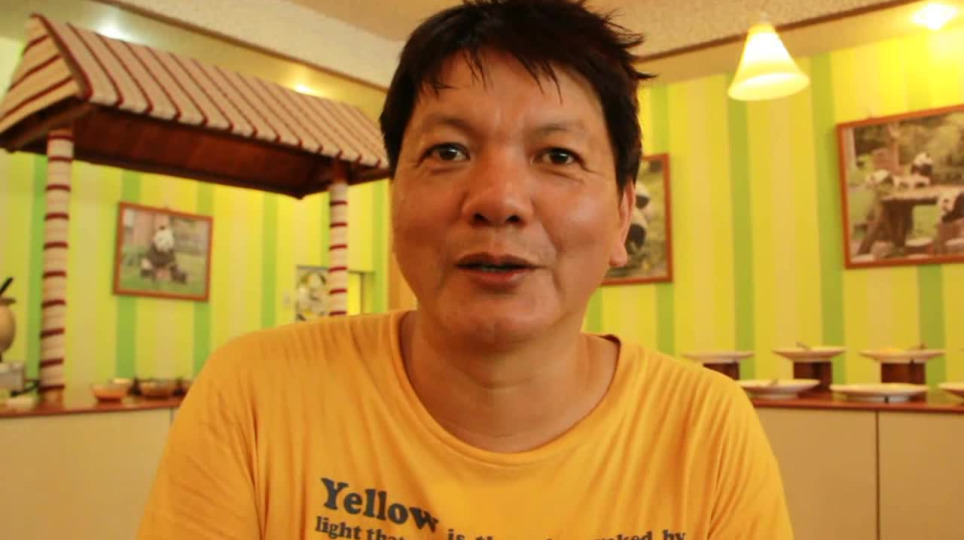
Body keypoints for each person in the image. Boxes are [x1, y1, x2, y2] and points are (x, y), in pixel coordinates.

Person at [138, 1, 793, 538]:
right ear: (395, 196)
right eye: (448, 151)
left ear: (624, 215)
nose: (499, 200)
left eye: (558, 155)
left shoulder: (704, 430)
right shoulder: (256, 394)